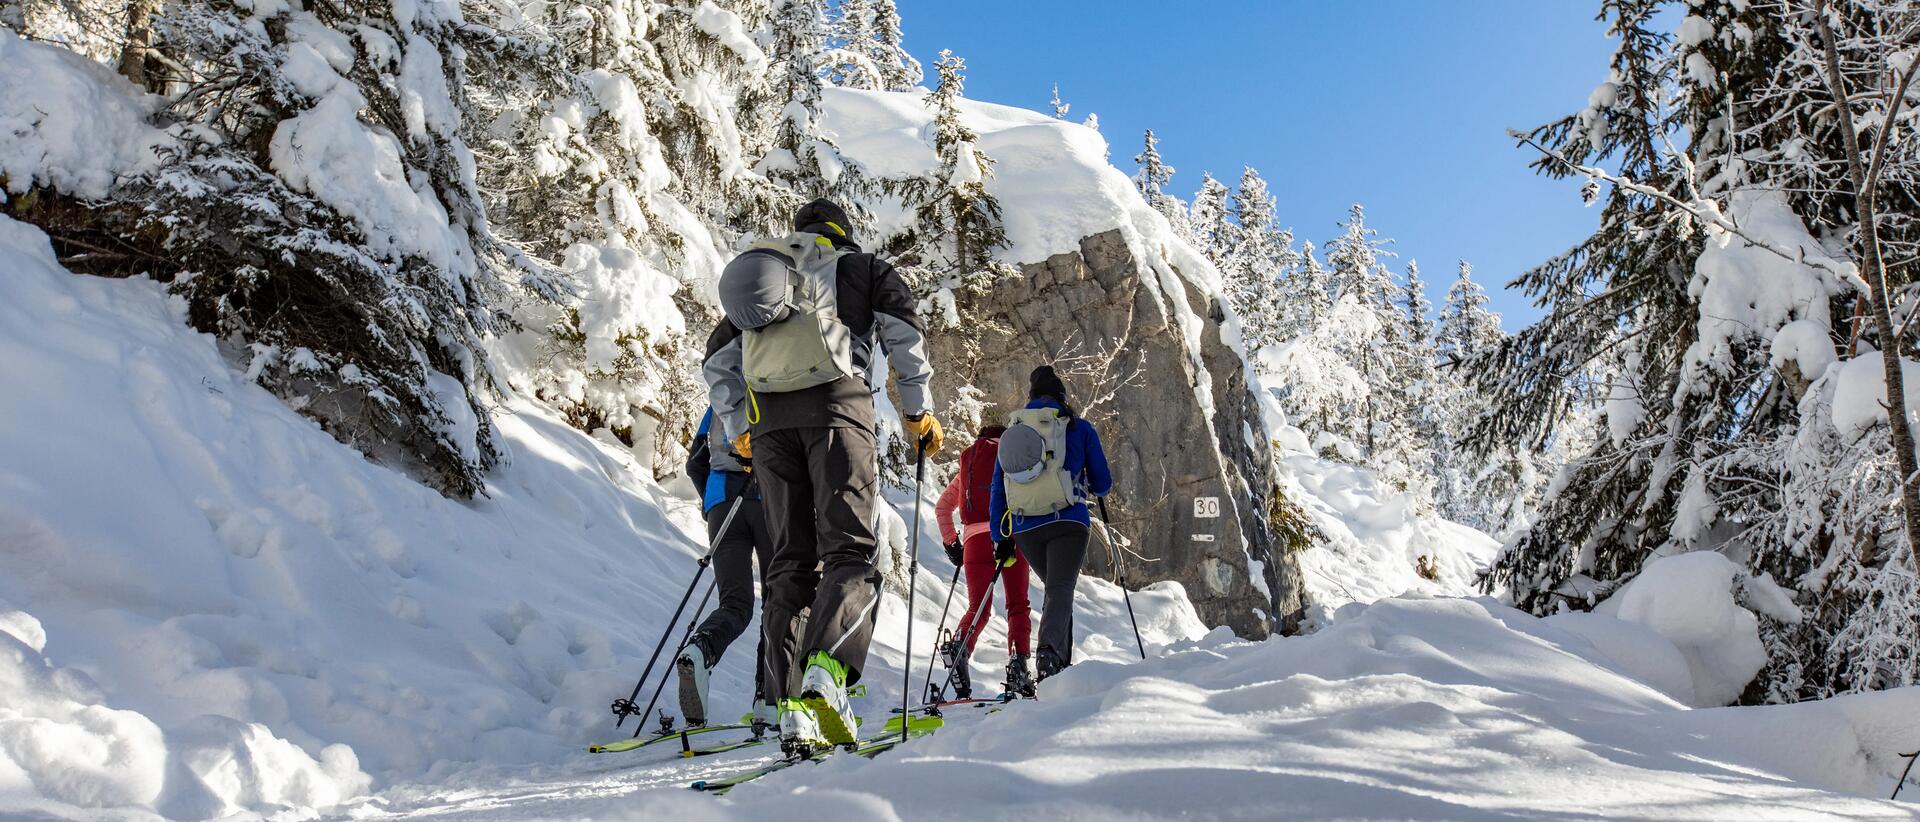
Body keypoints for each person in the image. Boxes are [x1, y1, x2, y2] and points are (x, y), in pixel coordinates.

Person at [702, 198, 942, 754]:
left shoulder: (773, 273)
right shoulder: (863, 269)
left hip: (767, 428)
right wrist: (916, 411)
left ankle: (789, 706)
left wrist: (740, 425)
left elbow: (717, 358)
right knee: (852, 552)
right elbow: (904, 336)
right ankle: (826, 674)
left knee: (789, 563)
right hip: (838, 411)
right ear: (844, 234)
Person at [989, 365, 1112, 683]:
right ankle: (1049, 657)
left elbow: (998, 486)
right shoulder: (1078, 428)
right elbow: (1102, 484)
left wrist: (999, 536)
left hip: (1025, 528)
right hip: (1068, 522)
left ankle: (1060, 668)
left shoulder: (1013, 432)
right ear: (1061, 397)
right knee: (1060, 589)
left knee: (1059, 591)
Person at [675, 408, 776, 732]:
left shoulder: (720, 401)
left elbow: (695, 463)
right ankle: (767, 700)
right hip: (771, 504)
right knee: (778, 602)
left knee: (735, 603)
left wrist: (713, 504)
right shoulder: (778, 386)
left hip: (722, 502)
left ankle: (700, 648)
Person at [933, 425, 1035, 698]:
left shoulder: (967, 465)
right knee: (1017, 604)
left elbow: (942, 507)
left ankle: (960, 645)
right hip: (1006, 534)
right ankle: (1018, 664)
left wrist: (952, 543)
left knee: (979, 608)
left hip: (974, 542)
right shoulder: (1008, 458)